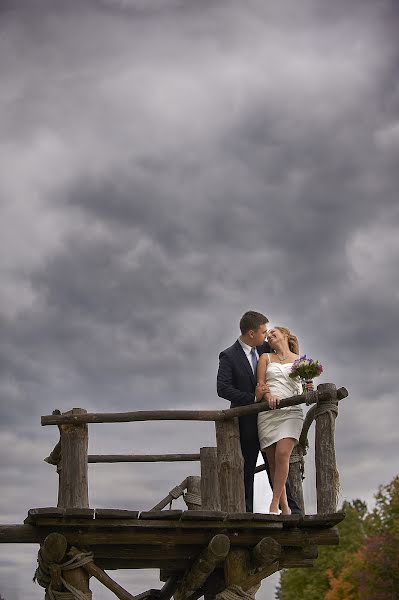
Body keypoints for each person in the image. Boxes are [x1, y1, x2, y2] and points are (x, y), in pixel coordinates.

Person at [217, 311, 302, 514]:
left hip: (275, 415)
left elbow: (287, 360)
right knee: (247, 467)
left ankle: (289, 510)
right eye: (264, 331)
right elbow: (223, 389)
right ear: (251, 333)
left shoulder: (265, 348)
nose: (267, 335)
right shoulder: (229, 356)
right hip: (247, 419)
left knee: (278, 461)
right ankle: (246, 514)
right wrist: (253, 398)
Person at [256, 326, 312, 515]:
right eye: (268, 334)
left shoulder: (300, 361)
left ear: (285, 335)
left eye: (274, 333)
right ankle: (286, 508)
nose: (270, 336)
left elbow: (306, 389)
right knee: (272, 462)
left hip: (291, 412)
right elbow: (261, 384)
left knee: (282, 454)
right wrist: (268, 396)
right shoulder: (265, 358)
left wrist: (309, 387)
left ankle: (274, 505)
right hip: (268, 413)